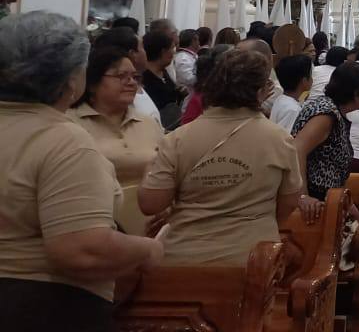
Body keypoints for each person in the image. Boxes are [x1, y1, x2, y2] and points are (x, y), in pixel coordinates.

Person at [0, 12, 163, 331]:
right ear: (73, 79)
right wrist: (149, 248)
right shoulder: (62, 140)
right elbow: (81, 250)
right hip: (39, 305)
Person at [139, 49, 302, 265]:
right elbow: (288, 202)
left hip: (183, 259)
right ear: (262, 90)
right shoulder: (279, 139)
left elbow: (151, 203)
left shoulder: (179, 138)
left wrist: (148, 166)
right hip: (254, 259)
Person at [70, 45, 166, 234]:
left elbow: (168, 170)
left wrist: (167, 208)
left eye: (135, 77)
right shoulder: (70, 123)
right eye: (121, 76)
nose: (131, 83)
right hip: (92, 226)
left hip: (150, 227)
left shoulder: (148, 123)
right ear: (92, 83)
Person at [291, 62, 359, 221]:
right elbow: (297, 148)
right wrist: (303, 196)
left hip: (328, 199)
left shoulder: (332, 109)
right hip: (315, 203)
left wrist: (348, 204)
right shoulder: (327, 114)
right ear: (357, 93)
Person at [271, 54, 312, 132]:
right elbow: (286, 139)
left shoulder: (281, 99)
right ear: (304, 81)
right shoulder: (293, 110)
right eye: (310, 75)